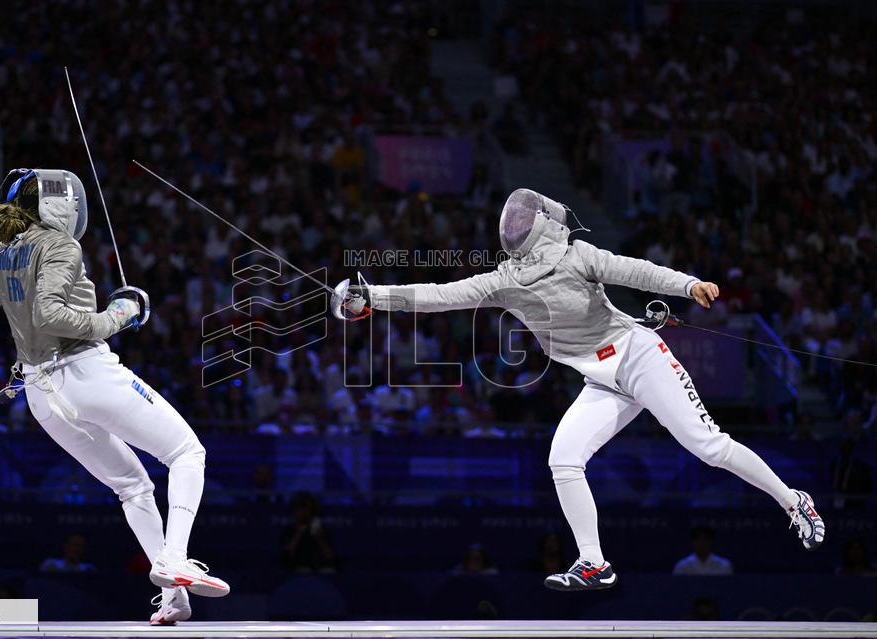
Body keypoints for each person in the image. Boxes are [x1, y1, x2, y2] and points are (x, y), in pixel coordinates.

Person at [341, 188, 825, 591]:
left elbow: (633, 270)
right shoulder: (507, 279)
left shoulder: (574, 258)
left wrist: (687, 284)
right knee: (564, 458)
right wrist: (374, 297)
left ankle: (792, 500)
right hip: (602, 379)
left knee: (708, 446)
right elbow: (442, 296)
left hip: (639, 358)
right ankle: (594, 561)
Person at [0, 169, 229, 624]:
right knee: (187, 452)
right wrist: (116, 317)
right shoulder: (60, 244)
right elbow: (49, 314)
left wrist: (7, 275)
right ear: (57, 204)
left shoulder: (0, 251)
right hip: (85, 374)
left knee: (132, 486)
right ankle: (175, 558)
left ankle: (173, 598)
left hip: (41, 396)